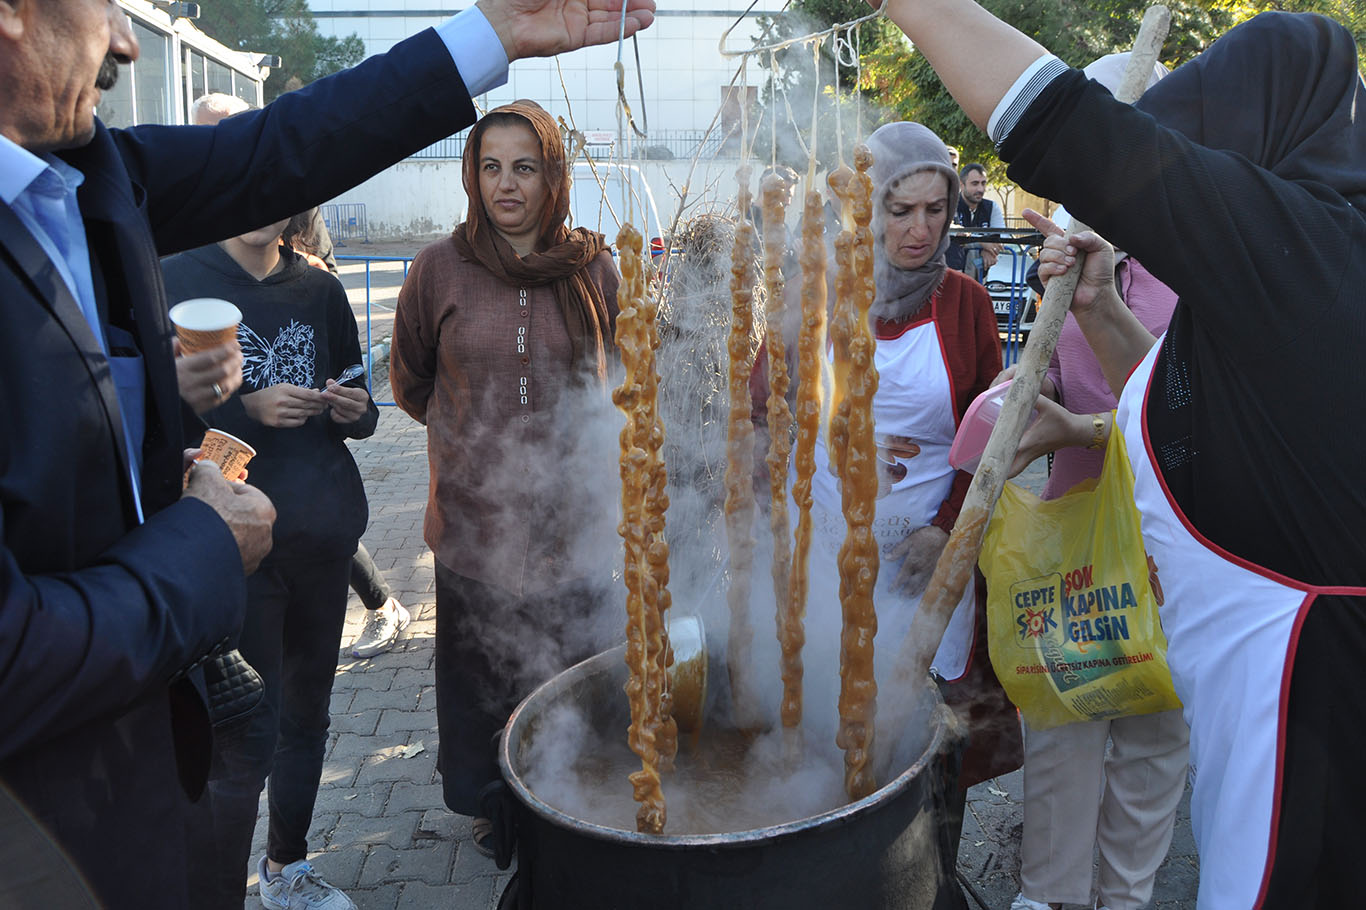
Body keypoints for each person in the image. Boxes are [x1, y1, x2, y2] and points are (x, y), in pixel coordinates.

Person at [0, 0, 653, 902]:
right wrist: (199, 542)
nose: (122, 39)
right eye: (106, 6)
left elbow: (285, 146)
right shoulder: (434, 270)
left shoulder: (78, 175)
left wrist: (491, 33)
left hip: (137, 759)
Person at [873, 3, 1366, 906]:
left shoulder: (1307, 244)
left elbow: (1064, 122)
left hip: (1311, 697)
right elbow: (1200, 415)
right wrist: (1098, 306)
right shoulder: (1316, 265)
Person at [389, 100, 622, 858]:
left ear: (552, 174)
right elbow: (413, 381)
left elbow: (623, 380)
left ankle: (569, 807)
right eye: (491, 167)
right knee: (482, 678)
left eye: (524, 167)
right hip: (474, 527)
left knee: (568, 673)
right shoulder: (436, 270)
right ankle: (495, 810)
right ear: (472, 175)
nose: (506, 185)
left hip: (577, 524)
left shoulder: (593, 268)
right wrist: (476, 450)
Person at [800, 122, 1021, 885]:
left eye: (936, 209)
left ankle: (930, 876)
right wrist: (837, 441)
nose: (921, 229)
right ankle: (835, 872)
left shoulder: (963, 304)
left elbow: (991, 430)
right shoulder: (822, 294)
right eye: (901, 210)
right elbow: (767, 411)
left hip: (932, 559)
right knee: (834, 708)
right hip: (834, 548)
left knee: (931, 727)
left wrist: (947, 528)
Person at [163, 211, 379, 909]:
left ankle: (286, 870)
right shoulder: (177, 277)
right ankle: (215, 890)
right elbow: (149, 417)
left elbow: (366, 405)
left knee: (307, 717)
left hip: (321, 540)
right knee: (243, 737)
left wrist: (355, 409)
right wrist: (248, 407)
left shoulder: (317, 289)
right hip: (233, 550)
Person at [946, 162, 1004, 280]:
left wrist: (988, 250)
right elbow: (951, 233)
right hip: (951, 273)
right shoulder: (949, 204)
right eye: (975, 184)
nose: (980, 189)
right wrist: (982, 243)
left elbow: (1000, 240)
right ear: (961, 185)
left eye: (983, 183)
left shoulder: (992, 207)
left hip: (980, 276)